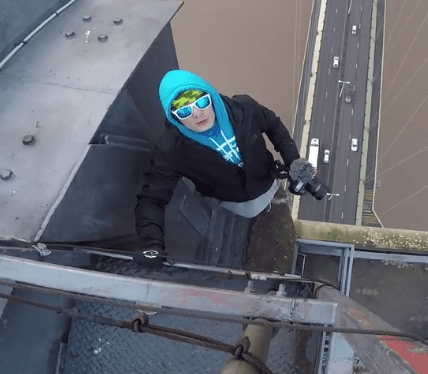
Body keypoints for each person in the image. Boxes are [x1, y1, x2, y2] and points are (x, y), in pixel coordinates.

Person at [134, 69, 316, 268]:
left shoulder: (244, 109)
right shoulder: (171, 150)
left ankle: (265, 207)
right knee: (249, 210)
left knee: (267, 199)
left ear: (210, 95)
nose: (197, 113)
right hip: (231, 200)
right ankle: (260, 210)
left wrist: (294, 162)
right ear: (175, 118)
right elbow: (152, 199)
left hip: (267, 180)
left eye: (201, 101)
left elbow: (273, 125)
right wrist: (151, 244)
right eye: (184, 111)